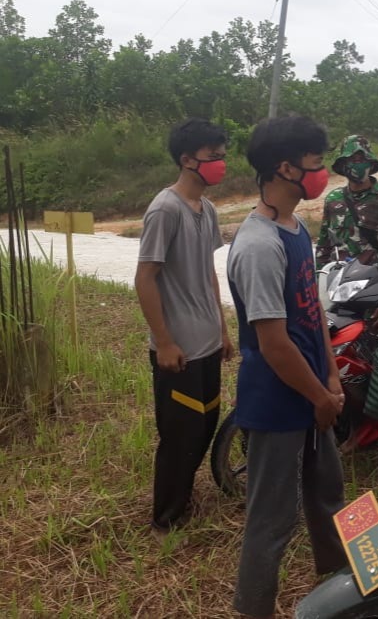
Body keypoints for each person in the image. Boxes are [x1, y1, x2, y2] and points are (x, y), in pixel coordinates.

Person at [227, 116, 347, 619]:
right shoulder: (258, 246)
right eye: (316, 163)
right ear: (285, 168)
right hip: (278, 402)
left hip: (314, 392)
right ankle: (254, 609)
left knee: (330, 497)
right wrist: (320, 397)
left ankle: (347, 590)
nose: (322, 173)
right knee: (272, 519)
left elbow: (311, 308)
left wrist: (331, 376)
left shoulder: (295, 228)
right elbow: (273, 344)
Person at [135, 118, 233, 535]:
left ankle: (183, 496)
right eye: (213, 156)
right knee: (180, 434)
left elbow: (208, 272)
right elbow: (145, 278)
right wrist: (164, 341)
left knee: (205, 424)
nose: (221, 163)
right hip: (178, 349)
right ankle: (166, 519)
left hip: (207, 342)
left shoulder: (206, 209)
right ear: (187, 159)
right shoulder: (165, 209)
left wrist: (222, 329)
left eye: (222, 155)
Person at [315, 134, 378, 292]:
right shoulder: (333, 199)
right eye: (352, 160)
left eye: (362, 160)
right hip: (337, 285)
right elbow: (324, 246)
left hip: (374, 287)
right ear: (343, 165)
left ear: (371, 164)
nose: (357, 165)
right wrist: (318, 284)